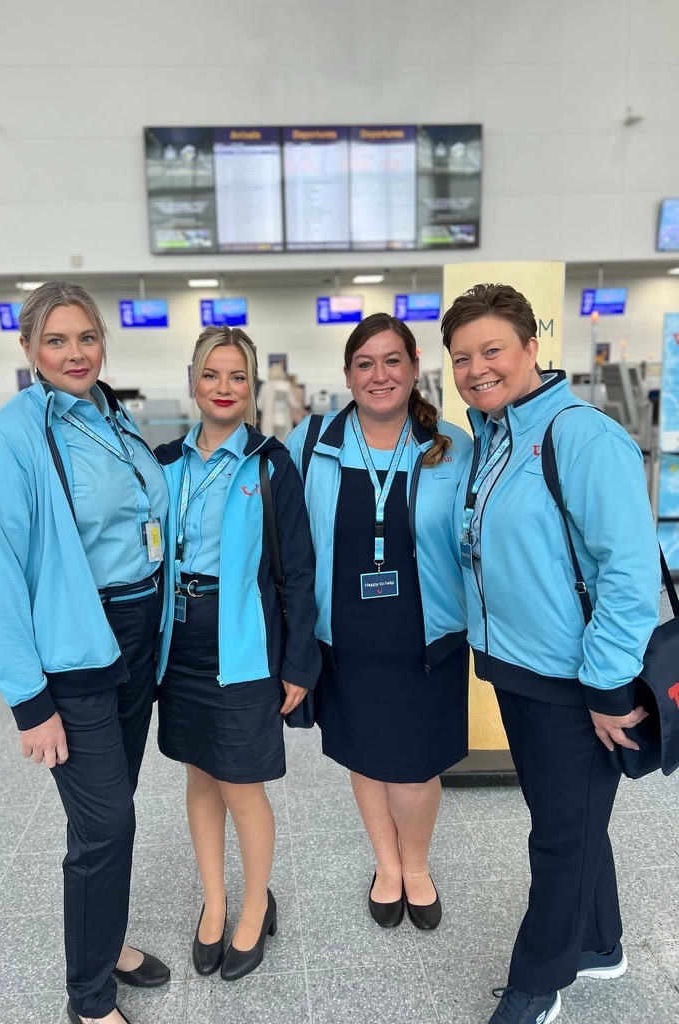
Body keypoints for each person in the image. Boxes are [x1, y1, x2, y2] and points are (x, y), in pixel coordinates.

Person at [442, 283, 660, 1024]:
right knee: (570, 816)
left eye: (493, 350)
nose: (477, 368)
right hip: (519, 671)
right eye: (463, 357)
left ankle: (538, 984)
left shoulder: (581, 436)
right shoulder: (496, 438)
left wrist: (606, 686)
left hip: (576, 681)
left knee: (558, 836)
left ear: (532, 347)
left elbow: (628, 574)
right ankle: (600, 941)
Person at [0, 282, 173, 1024]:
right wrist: (29, 702)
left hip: (138, 644)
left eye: (86, 337)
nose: (75, 353)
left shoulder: (111, 417)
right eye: (57, 340)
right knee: (106, 823)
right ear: (27, 350)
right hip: (75, 657)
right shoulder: (8, 441)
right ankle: (88, 998)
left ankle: (104, 939)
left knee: (108, 818)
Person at [286, 312, 472, 931]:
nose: (380, 374)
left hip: (428, 637)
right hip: (346, 638)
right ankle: (385, 864)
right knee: (365, 755)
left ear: (415, 367)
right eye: (364, 363)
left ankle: (416, 865)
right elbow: (282, 540)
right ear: (347, 375)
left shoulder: (452, 448)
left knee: (415, 765)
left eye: (392, 360)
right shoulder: (313, 444)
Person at [155, 326, 320, 981]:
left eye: (237, 377)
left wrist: (300, 662)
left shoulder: (271, 464)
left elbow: (299, 573)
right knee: (199, 777)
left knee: (241, 786)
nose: (224, 388)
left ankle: (255, 906)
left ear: (252, 388)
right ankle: (215, 904)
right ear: (193, 380)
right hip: (180, 647)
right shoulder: (164, 462)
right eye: (211, 375)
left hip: (245, 650)